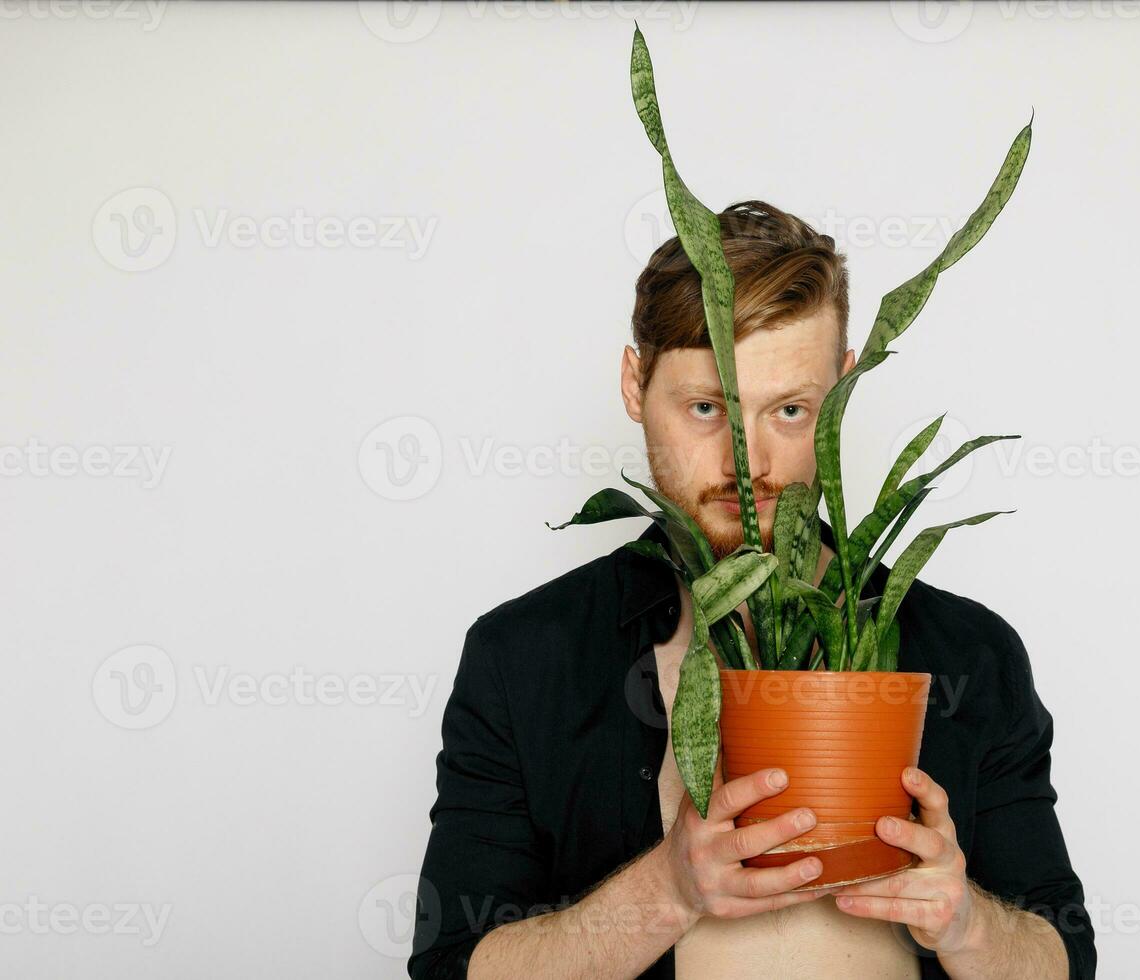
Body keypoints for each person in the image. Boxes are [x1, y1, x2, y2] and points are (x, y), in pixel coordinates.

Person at [408, 201, 1095, 980]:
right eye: (707, 409)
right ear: (635, 385)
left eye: (792, 411)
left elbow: (1063, 958)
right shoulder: (523, 659)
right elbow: (450, 968)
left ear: (839, 392)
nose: (752, 461)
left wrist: (967, 924)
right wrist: (669, 890)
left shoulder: (970, 651)